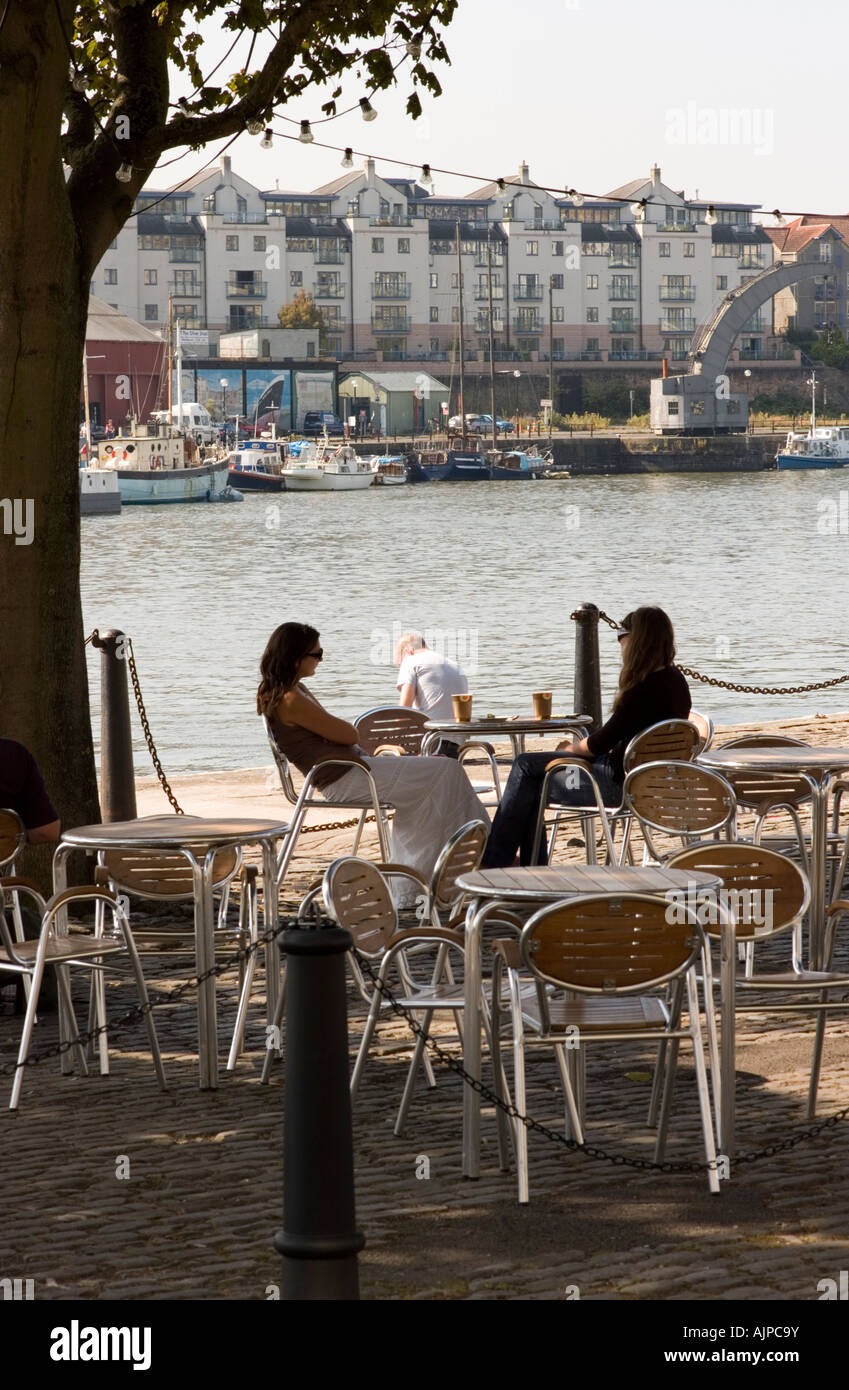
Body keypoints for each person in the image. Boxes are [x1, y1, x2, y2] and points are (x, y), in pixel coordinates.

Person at [257, 623, 489, 905]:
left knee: (437, 781)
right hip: (345, 777)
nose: (320, 660)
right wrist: (348, 740)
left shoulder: (290, 691)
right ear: (296, 657)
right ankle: (477, 860)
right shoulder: (291, 698)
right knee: (447, 770)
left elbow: (334, 735)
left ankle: (430, 877)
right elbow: (346, 733)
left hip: (350, 769)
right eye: (317, 654)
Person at [482, 606, 691, 867]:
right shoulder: (677, 681)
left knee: (525, 767)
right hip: (654, 782)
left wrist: (569, 748)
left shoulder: (641, 689)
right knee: (532, 780)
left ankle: (495, 865)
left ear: (635, 641)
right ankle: (526, 866)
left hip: (617, 787)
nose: (620, 647)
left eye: (621, 639)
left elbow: (598, 744)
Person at [0, 738, 61, 1011]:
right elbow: (48, 830)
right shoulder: (12, 756)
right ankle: (36, 995)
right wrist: (9, 837)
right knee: (31, 923)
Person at [395, 631, 468, 759]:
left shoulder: (410, 661)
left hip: (429, 743)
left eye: (399, 664)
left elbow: (403, 714)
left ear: (408, 651)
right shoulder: (454, 665)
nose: (400, 667)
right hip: (457, 746)